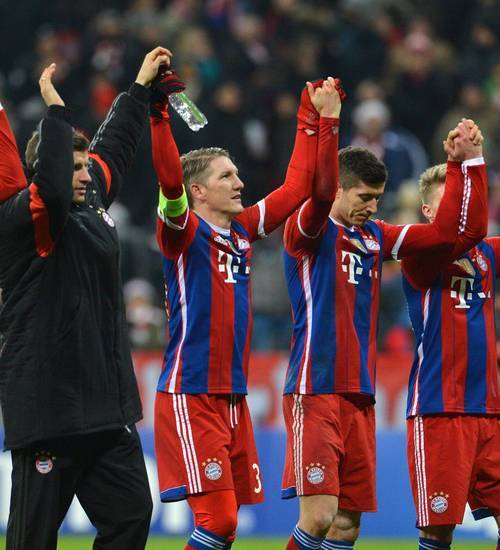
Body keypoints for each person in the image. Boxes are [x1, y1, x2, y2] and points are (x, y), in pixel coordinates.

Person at [149, 64, 343, 549]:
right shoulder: (182, 232)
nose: (239, 183)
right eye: (227, 176)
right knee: (217, 521)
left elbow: (295, 189)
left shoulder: (240, 232)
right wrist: (157, 114)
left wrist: (309, 118)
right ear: (198, 191)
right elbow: (170, 182)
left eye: (236, 174)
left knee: (227, 525)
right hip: (192, 391)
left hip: (232, 394)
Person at [281, 120, 486, 549]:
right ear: (338, 189)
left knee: (346, 526)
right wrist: (327, 122)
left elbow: (446, 235)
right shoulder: (310, 230)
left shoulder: (376, 236)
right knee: (319, 517)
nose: (373, 207)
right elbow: (318, 193)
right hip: (315, 387)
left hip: (360, 393)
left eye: (377, 198)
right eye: (364, 197)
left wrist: (456, 165)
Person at [0, 46, 171, 550]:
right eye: (73, 166)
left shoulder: (89, 200)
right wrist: (55, 111)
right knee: (33, 538)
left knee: (132, 514)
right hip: (49, 406)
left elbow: (112, 147)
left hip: (104, 405)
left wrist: (139, 89)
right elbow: (51, 192)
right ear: (45, 171)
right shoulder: (24, 219)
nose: (83, 174)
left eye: (83, 166)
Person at [401, 130, 500, 550]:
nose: (460, 209)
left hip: (490, 411)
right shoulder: (418, 254)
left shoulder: (487, 254)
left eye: (464, 200)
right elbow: (465, 229)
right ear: (427, 210)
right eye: (450, 200)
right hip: (440, 409)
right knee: (439, 532)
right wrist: (469, 162)